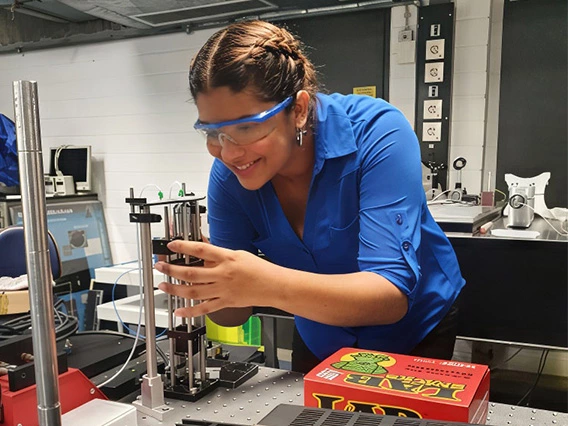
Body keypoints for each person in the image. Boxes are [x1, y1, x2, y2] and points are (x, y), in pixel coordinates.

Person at [155, 20, 465, 373]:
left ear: (299, 110)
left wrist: (264, 283)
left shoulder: (378, 133)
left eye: (246, 128)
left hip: (413, 328)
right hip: (321, 331)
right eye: (212, 133)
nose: (229, 153)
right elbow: (233, 315)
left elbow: (391, 297)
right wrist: (202, 279)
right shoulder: (230, 178)